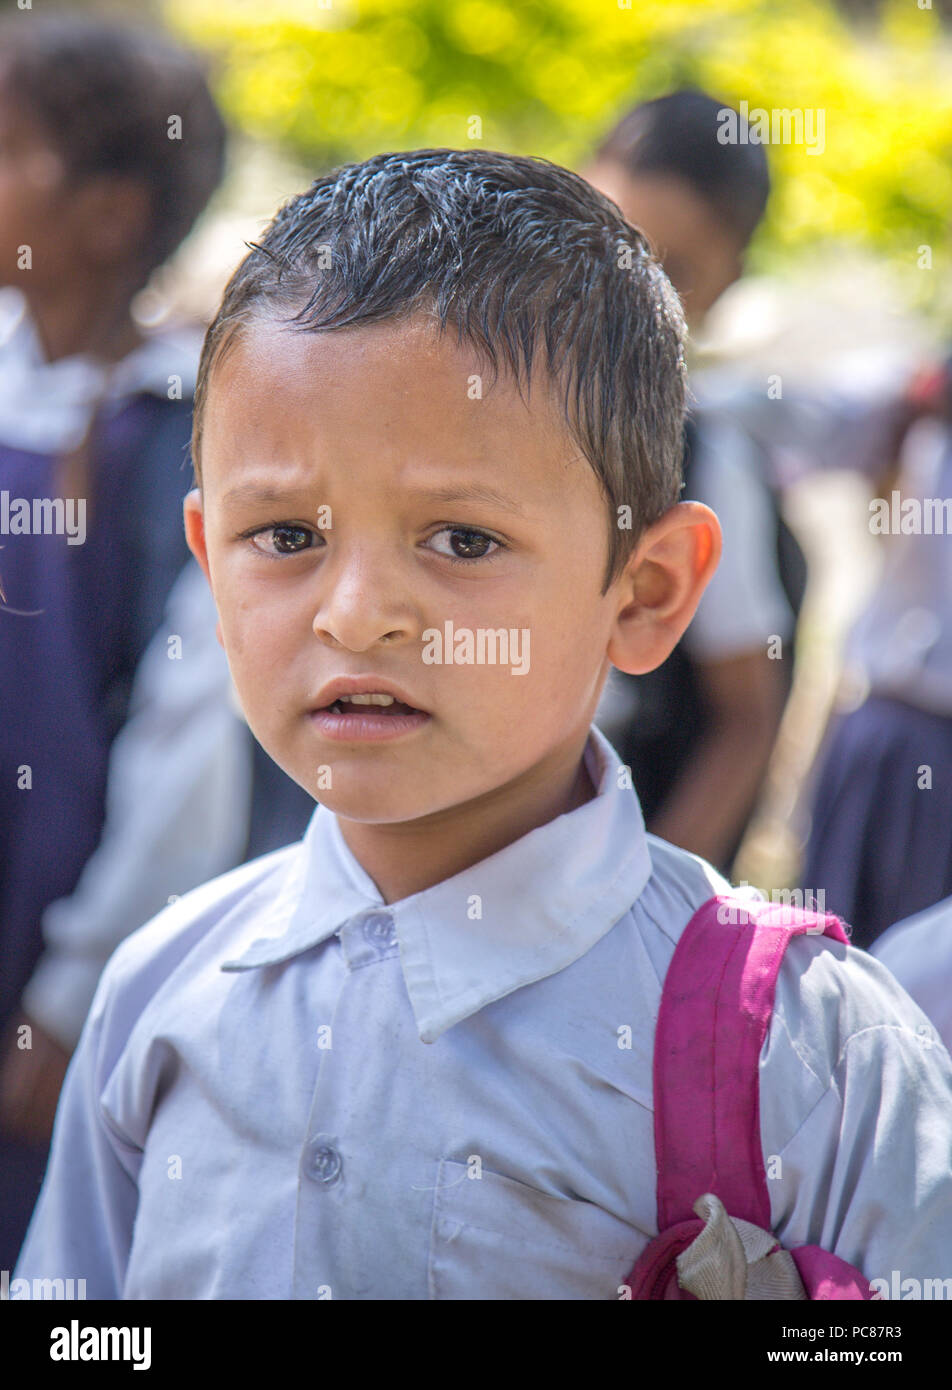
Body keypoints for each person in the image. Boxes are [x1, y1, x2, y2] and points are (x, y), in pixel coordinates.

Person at [15, 149, 952, 1299]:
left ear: (647, 589)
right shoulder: (161, 990)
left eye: (460, 539)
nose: (356, 615)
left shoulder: (808, 1056)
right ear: (211, 565)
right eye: (287, 538)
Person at [0, 13, 226, 1268]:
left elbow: (186, 748)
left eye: (12, 145)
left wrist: (72, 994)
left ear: (106, 215)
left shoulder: (171, 447)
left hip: (50, 942)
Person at [584, 91, 800, 872]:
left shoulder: (707, 463)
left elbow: (745, 721)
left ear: (729, 280)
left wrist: (654, 903)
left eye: (677, 271)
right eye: (614, 244)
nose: (634, 291)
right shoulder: (472, 394)